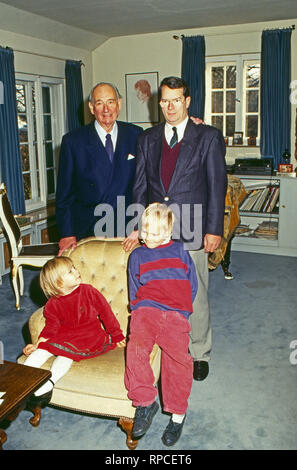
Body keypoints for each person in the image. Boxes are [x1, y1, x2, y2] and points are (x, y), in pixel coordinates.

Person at [123, 76, 227, 382]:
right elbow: (140, 186)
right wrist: (136, 227)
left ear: (188, 101)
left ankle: (199, 352)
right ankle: (166, 344)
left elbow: (215, 186)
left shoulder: (207, 136)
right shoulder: (148, 138)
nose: (170, 106)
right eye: (165, 100)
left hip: (194, 227)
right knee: (158, 289)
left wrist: (214, 229)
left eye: (176, 100)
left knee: (195, 293)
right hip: (157, 230)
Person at [124, 203, 197, 446]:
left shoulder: (179, 249)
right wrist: (137, 308)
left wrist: (184, 310)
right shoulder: (138, 254)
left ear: (168, 232)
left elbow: (192, 282)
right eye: (145, 232)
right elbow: (135, 286)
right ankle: (145, 402)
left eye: (156, 234)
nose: (149, 238)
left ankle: (177, 417)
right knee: (136, 347)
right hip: (147, 308)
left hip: (177, 310)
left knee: (179, 361)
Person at [23, 256, 126, 405]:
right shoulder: (52, 304)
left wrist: (116, 335)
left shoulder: (88, 291)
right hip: (65, 336)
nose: (76, 271)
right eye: (70, 272)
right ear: (59, 283)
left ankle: (49, 383)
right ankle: (21, 379)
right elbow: (51, 327)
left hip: (89, 336)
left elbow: (106, 313)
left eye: (74, 268)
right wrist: (38, 344)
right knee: (42, 350)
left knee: (65, 356)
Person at [56, 82, 143, 255]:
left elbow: (145, 183)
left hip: (128, 231)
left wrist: (139, 225)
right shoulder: (73, 141)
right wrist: (67, 233)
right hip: (88, 229)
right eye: (99, 103)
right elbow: (64, 194)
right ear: (91, 107)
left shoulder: (136, 134)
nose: (106, 109)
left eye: (110, 102)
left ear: (119, 103)